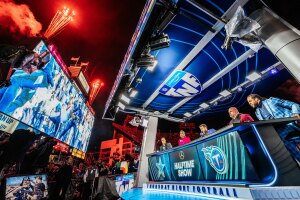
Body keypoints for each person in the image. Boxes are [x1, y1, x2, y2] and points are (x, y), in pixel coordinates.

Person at [247, 94, 300, 161]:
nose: (249, 103)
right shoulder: (257, 112)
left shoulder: (271, 101)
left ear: (256, 98)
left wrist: (296, 113)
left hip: (291, 124)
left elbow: (293, 104)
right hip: (280, 131)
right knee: (282, 145)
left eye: (250, 101)